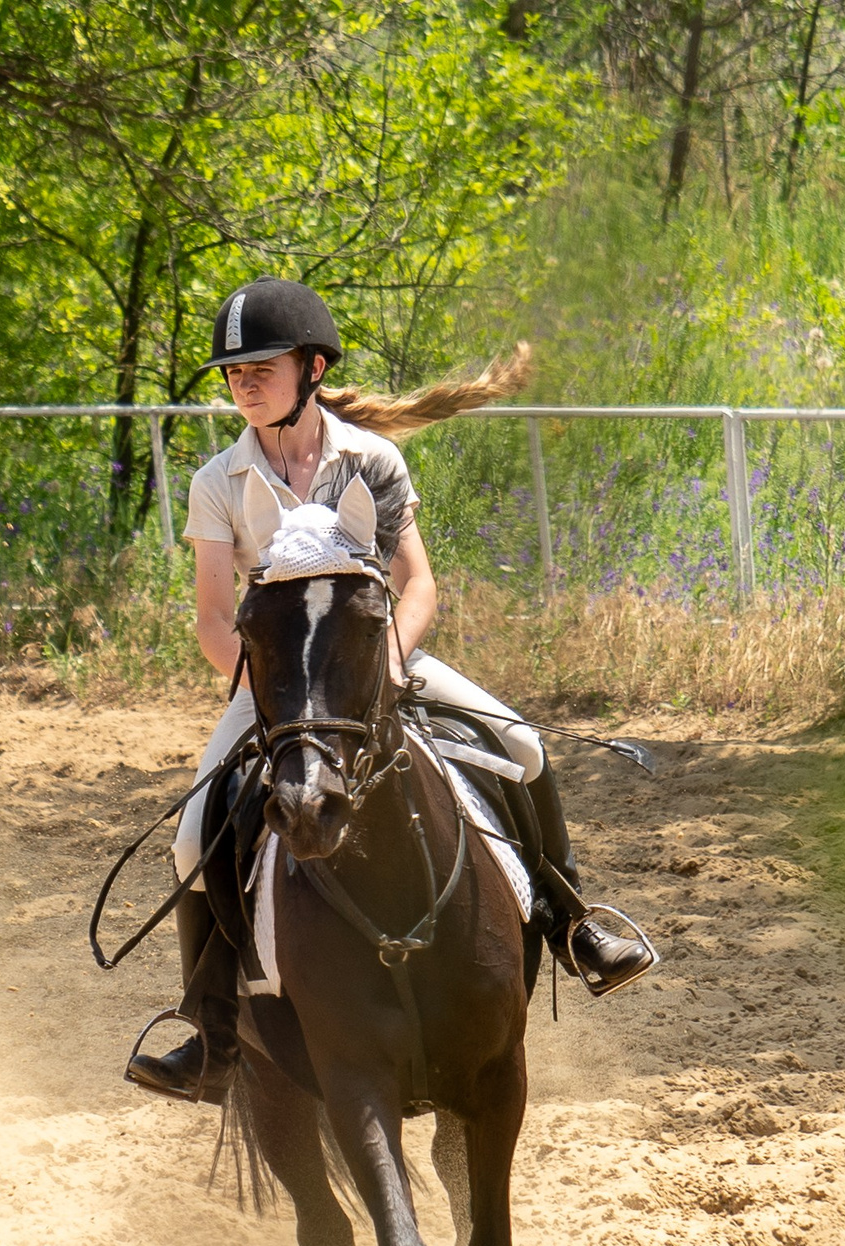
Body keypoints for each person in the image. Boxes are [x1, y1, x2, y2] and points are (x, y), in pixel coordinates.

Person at [126, 277, 655, 1103]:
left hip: (378, 664)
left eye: (261, 367)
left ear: (311, 366)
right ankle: (209, 1027)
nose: (245, 384)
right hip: (277, 688)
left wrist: (396, 663)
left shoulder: (371, 460)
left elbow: (419, 587)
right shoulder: (218, 482)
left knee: (522, 744)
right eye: (234, 374)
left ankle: (570, 923)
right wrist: (275, 696)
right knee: (194, 838)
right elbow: (211, 618)